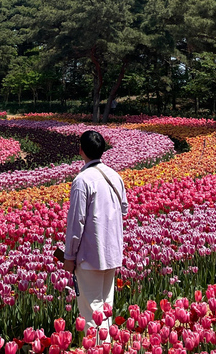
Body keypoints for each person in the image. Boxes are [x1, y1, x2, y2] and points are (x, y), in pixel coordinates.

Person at [64, 130, 128, 334]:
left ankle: (97, 348)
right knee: (105, 308)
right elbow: (124, 209)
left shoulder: (82, 181)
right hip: (113, 252)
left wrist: (69, 256)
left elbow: (76, 223)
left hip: (90, 256)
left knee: (92, 310)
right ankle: (106, 346)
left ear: (81, 150)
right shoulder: (115, 176)